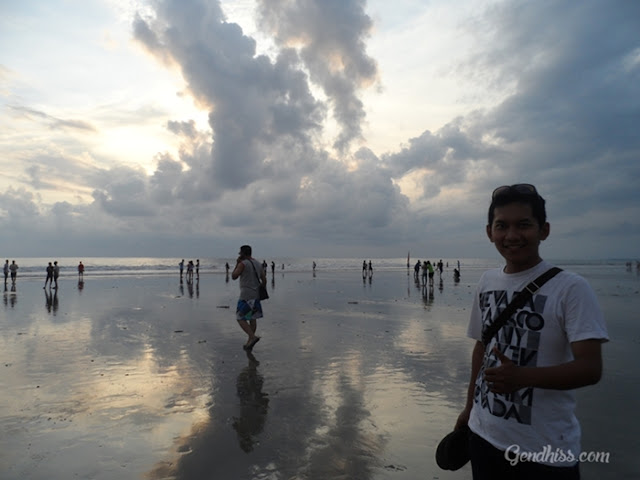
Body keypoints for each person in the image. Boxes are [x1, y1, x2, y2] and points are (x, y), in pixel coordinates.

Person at [455, 184, 608, 479]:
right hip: (482, 436)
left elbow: (591, 368)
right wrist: (469, 408)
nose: (511, 235)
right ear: (490, 232)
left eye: (523, 225)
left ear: (544, 230)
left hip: (544, 451)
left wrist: (522, 378)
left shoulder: (571, 288)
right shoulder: (487, 282)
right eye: (502, 226)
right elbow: (481, 348)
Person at [232, 245, 266, 351]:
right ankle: (249, 342)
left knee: (240, 318)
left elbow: (234, 276)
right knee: (252, 318)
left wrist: (237, 263)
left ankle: (252, 337)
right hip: (255, 295)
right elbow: (264, 280)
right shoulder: (258, 263)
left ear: (242, 254)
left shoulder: (243, 264)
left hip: (246, 295)